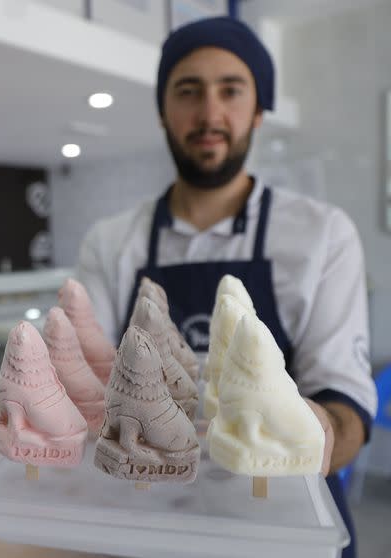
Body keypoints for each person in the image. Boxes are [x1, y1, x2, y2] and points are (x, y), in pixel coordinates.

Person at [75, 16, 376, 558]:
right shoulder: (112, 240)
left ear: (258, 110)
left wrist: (309, 434)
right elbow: (92, 389)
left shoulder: (321, 234)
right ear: (163, 110)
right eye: (188, 91)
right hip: (148, 524)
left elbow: (347, 402)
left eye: (231, 91)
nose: (210, 114)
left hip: (286, 528)